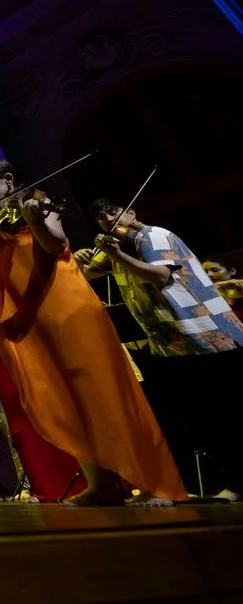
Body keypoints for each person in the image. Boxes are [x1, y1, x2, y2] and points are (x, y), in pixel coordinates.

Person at [0, 159, 186, 506]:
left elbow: (55, 245)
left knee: (106, 394)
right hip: (36, 315)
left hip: (68, 308)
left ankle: (158, 484)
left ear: (8, 179)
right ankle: (100, 485)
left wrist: (36, 220)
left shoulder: (39, 201)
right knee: (69, 399)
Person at [76, 200, 243, 500]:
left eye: (114, 212)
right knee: (194, 417)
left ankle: (236, 485)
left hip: (206, 336)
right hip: (172, 343)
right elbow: (85, 274)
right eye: (101, 217)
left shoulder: (153, 236)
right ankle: (211, 483)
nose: (108, 219)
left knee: (223, 415)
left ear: (131, 213)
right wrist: (79, 257)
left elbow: (161, 276)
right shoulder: (117, 246)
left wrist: (115, 254)